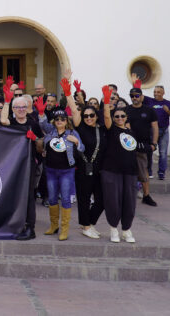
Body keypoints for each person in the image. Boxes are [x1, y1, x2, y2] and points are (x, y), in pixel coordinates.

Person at [37, 82, 84, 241]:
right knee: (51, 199)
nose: (59, 121)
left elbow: (82, 148)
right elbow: (42, 122)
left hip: (66, 171)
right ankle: (54, 225)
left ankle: (64, 229)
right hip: (50, 169)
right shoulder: (50, 131)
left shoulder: (72, 132)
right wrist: (42, 113)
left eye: (62, 118)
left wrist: (76, 142)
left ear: (66, 120)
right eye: (57, 118)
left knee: (64, 198)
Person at [63, 76, 106, 239]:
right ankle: (86, 226)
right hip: (83, 169)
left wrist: (106, 101)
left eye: (91, 115)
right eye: (86, 115)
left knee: (102, 199)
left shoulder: (101, 129)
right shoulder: (80, 126)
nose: (88, 117)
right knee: (84, 198)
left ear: (96, 116)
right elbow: (74, 110)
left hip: (99, 169)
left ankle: (89, 222)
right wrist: (68, 93)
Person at [0, 96, 44, 240]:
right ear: (13, 109)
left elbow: (41, 147)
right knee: (13, 194)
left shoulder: (33, 124)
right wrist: (6, 102)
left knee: (28, 196)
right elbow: (2, 121)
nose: (20, 110)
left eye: (23, 107)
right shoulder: (11, 122)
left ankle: (30, 228)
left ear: (27, 109)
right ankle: (14, 225)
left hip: (29, 164)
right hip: (12, 164)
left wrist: (35, 139)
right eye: (17, 107)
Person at [100, 86, 138, 243]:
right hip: (111, 171)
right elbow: (107, 118)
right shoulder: (111, 129)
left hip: (130, 171)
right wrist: (107, 101)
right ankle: (113, 229)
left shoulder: (130, 132)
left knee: (129, 202)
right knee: (113, 200)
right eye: (117, 116)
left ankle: (127, 230)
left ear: (126, 117)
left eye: (122, 116)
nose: (120, 118)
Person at [126, 87, 158, 207]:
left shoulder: (149, 111)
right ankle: (128, 196)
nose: (134, 98)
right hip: (129, 145)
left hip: (144, 144)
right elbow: (126, 127)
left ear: (142, 96)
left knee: (144, 170)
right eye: (132, 96)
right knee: (129, 171)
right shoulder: (127, 109)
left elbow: (155, 127)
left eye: (137, 95)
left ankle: (146, 195)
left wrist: (154, 143)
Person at [144, 85, 170, 180]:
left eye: (158, 92)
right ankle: (149, 171)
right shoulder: (149, 101)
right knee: (149, 151)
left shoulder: (169, 103)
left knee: (163, 152)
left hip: (164, 131)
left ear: (163, 93)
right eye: (155, 91)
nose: (156, 93)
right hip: (152, 130)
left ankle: (161, 172)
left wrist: (168, 111)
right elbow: (139, 95)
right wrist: (135, 84)